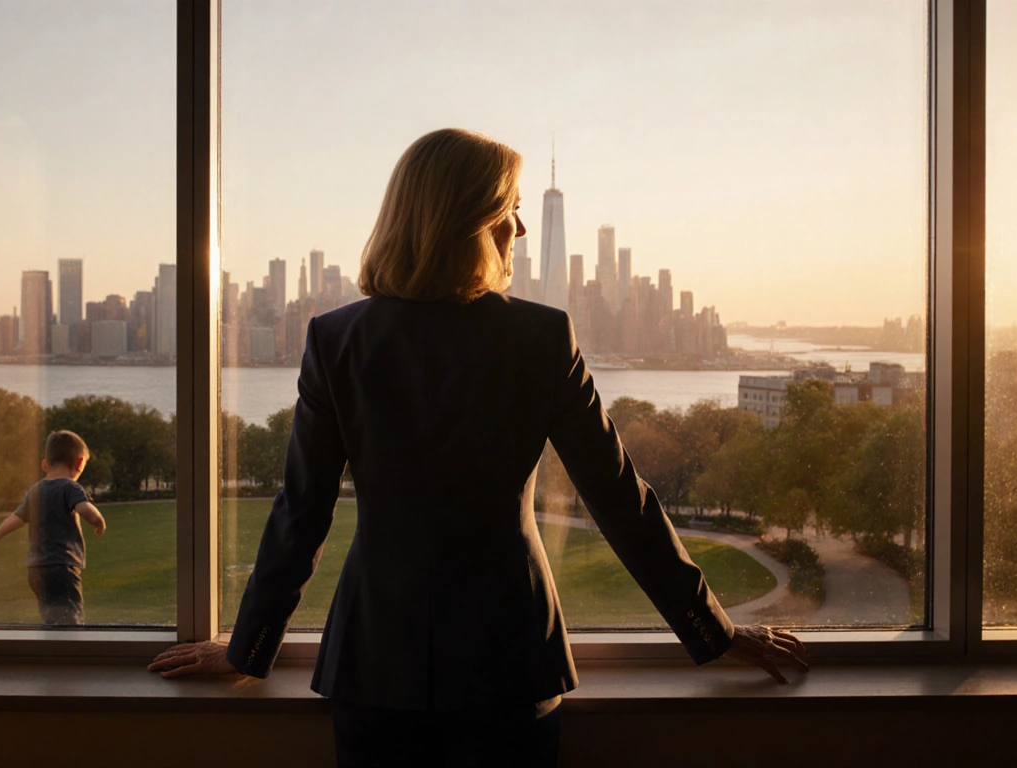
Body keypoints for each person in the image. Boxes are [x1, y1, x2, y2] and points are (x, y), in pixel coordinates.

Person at [149, 128, 808, 765]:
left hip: (375, 667)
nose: (519, 230)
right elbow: (617, 498)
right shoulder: (542, 337)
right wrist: (714, 631)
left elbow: (303, 511)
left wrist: (248, 648)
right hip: (512, 664)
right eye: (510, 210)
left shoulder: (335, 338)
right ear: (468, 219)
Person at [0, 429, 107, 625]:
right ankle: (71, 653)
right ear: (78, 463)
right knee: (71, 620)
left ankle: (51, 651)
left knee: (51, 618)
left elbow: (16, 518)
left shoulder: (35, 491)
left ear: (45, 464)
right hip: (62, 567)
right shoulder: (71, 487)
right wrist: (99, 523)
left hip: (35, 570)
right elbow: (86, 510)